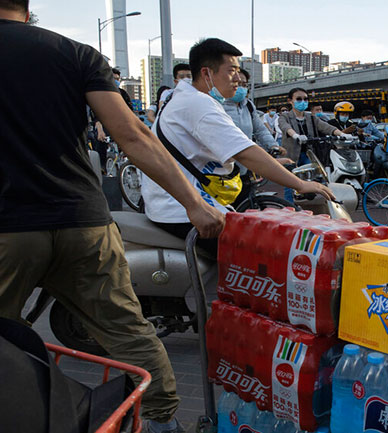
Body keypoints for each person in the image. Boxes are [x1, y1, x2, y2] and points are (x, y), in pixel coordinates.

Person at [0, 2, 224, 433]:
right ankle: (159, 423)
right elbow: (132, 134)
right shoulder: (75, 53)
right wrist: (194, 203)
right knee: (129, 331)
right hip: (84, 223)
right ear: (28, 11)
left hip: (8, 229)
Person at [142, 39, 333, 255]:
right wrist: (300, 184)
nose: (237, 79)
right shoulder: (198, 103)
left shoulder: (184, 97)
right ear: (207, 74)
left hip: (177, 202)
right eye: (231, 70)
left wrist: (271, 160)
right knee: (267, 253)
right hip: (180, 209)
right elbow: (245, 151)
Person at [278, 88, 352, 202]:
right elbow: (285, 127)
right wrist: (295, 136)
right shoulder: (285, 116)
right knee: (290, 182)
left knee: (314, 178)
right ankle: (289, 207)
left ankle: (310, 205)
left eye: (305, 99)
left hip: (308, 154)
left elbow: (326, 127)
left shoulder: (311, 117)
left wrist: (342, 134)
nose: (303, 101)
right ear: (290, 101)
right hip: (291, 156)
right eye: (298, 99)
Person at [223, 70, 285, 155]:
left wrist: (273, 146)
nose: (240, 88)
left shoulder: (248, 105)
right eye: (237, 83)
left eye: (244, 85)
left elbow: (260, 129)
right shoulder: (218, 105)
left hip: (246, 159)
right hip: (225, 158)